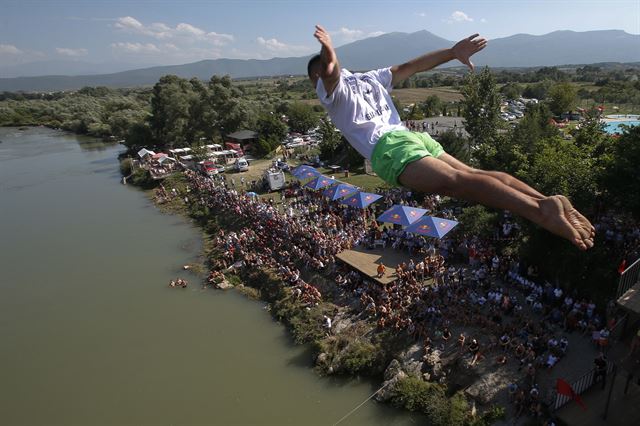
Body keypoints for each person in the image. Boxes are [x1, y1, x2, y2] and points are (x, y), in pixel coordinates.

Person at [309, 25, 594, 250]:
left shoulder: (332, 91)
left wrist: (329, 51)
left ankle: (539, 212)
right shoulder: (370, 78)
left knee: (458, 184)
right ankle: (545, 200)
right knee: (473, 173)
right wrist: (452, 52)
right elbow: (411, 67)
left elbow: (331, 72)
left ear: (317, 77)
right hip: (411, 137)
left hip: (390, 149)